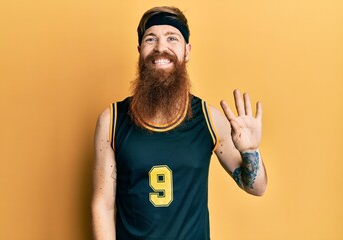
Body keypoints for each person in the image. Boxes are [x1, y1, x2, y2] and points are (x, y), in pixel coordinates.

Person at [92, 6, 267, 240]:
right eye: (150, 39)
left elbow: (255, 187)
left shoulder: (208, 119)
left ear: (187, 51)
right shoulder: (112, 120)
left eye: (172, 38)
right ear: (140, 51)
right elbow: (102, 205)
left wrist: (250, 151)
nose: (161, 47)